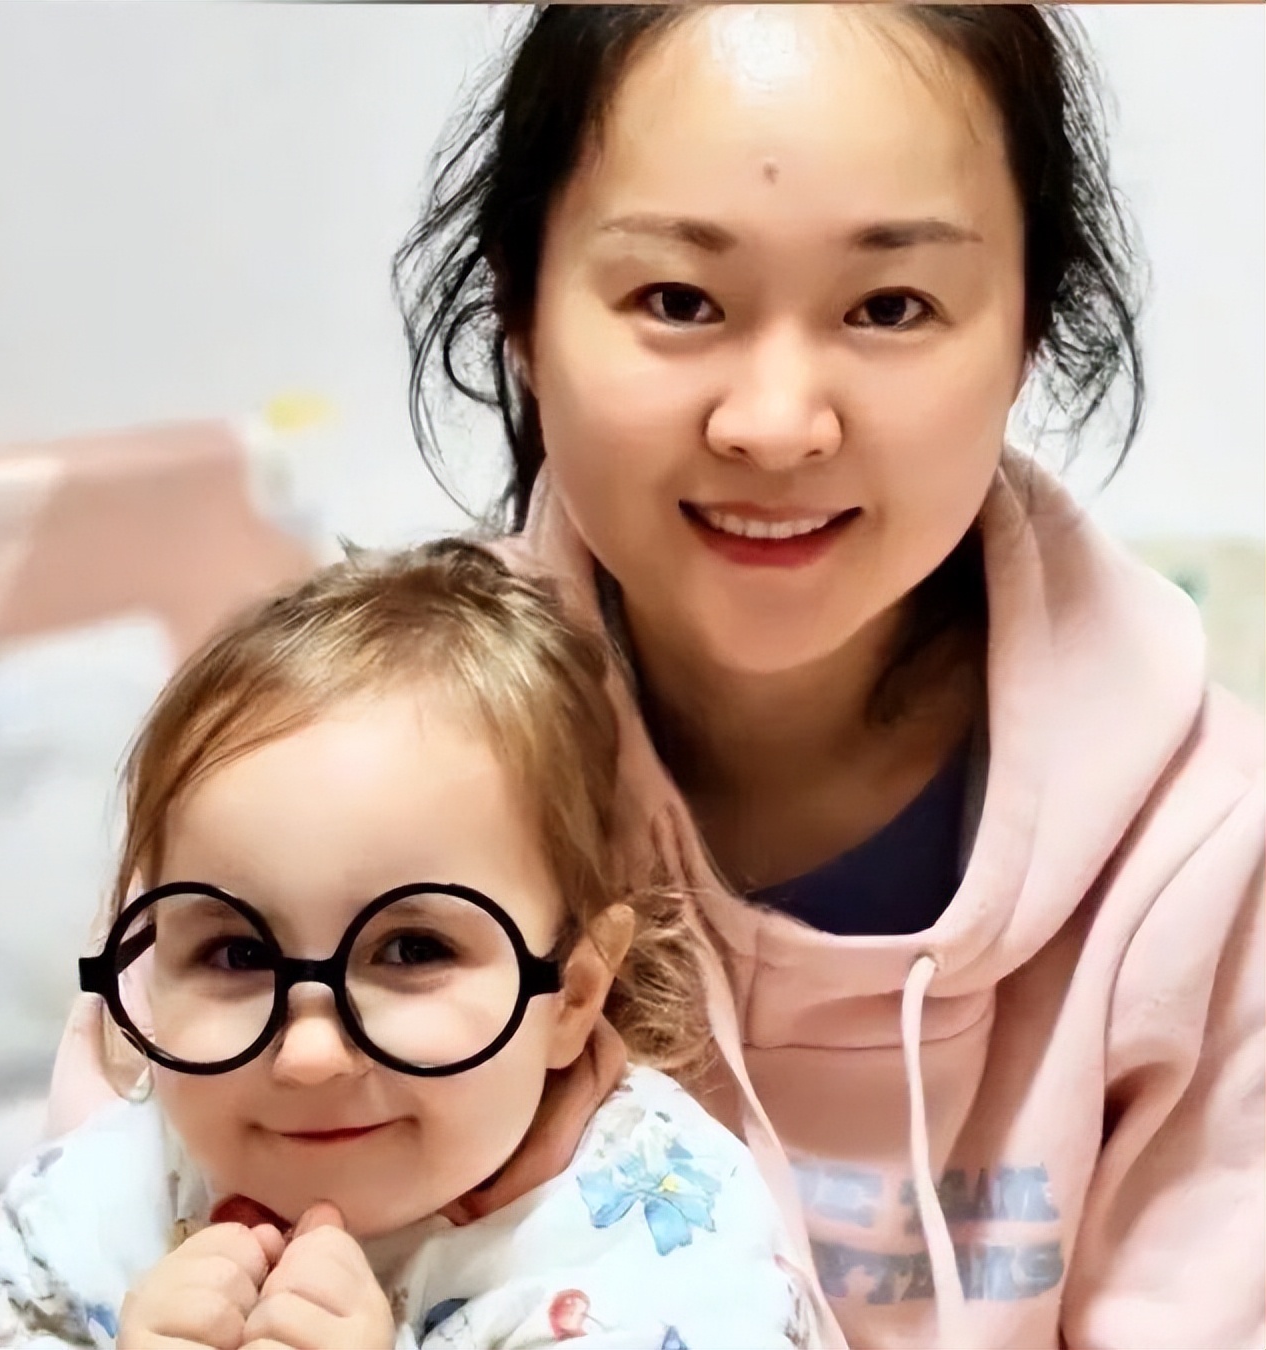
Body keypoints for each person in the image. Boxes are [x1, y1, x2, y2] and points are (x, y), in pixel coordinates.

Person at [387, 6, 1266, 1349]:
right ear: (520, 306)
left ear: (1029, 328)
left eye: (891, 306)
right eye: (678, 300)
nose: (776, 425)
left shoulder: (1208, 857)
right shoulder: (327, 785)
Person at [0, 542, 815, 1350]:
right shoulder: (114, 1189)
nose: (307, 1054)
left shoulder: (658, 1240)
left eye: (412, 950)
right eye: (237, 956)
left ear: (571, 995)